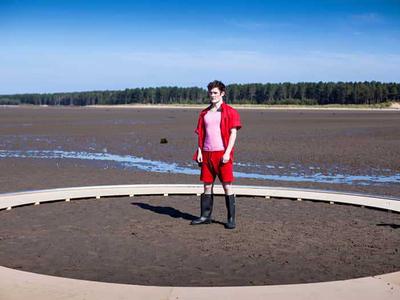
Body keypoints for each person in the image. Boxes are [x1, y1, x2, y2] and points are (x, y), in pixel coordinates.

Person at [191, 80, 242, 229]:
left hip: (222, 154)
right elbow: (201, 134)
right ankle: (205, 216)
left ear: (222, 94)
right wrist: (199, 151)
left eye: (215, 93)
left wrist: (227, 153)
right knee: (207, 185)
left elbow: (233, 133)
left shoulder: (230, 111)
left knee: (227, 186)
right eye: (210, 93)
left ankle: (231, 219)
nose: (212, 95)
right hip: (206, 153)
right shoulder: (204, 113)